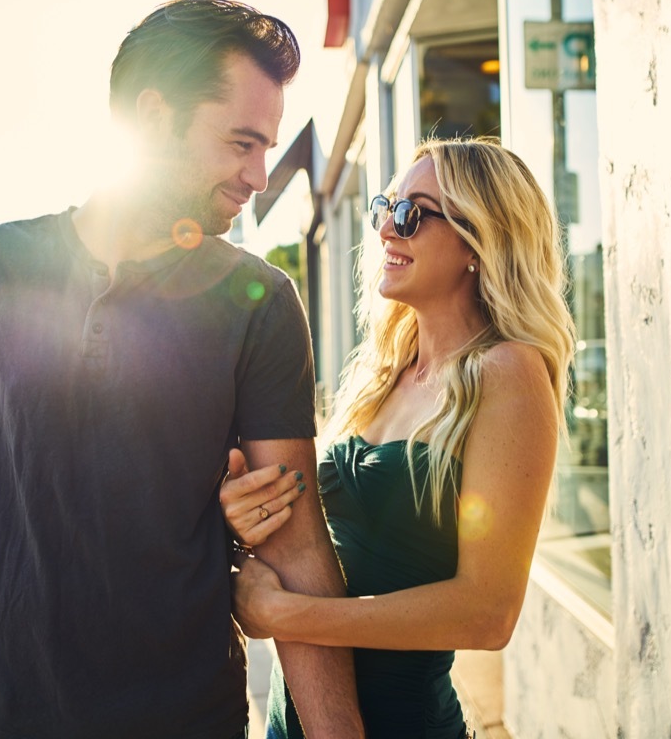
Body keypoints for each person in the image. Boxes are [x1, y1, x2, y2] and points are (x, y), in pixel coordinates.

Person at [0, 0, 364, 739]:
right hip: (6, 718)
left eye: (266, 148)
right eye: (241, 143)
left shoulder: (258, 300)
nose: (259, 175)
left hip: (190, 720)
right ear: (154, 115)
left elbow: (295, 537)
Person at [220, 136, 575, 738]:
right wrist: (245, 513)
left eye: (411, 214)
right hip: (299, 715)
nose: (387, 228)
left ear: (479, 242)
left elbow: (489, 614)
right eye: (386, 207)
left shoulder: (507, 372)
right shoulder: (381, 372)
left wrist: (291, 615)